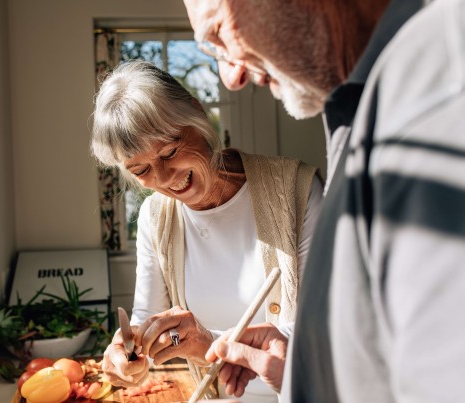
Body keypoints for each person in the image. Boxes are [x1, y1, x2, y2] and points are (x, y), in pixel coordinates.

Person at [183, 0, 465, 402]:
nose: (231, 76)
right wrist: (304, 360)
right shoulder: (366, 104)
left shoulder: (436, 97)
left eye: (218, 35)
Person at [90, 59, 324, 402]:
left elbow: (319, 328)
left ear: (197, 116)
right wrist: (128, 350)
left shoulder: (296, 190)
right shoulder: (155, 217)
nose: (165, 178)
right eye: (141, 170)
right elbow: (147, 319)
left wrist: (209, 342)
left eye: (170, 151)